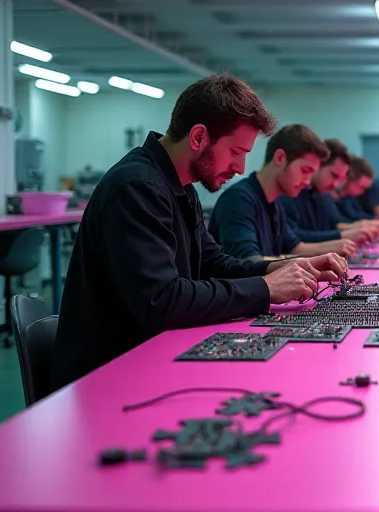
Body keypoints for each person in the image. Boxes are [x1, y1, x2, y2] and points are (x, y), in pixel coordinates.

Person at [52, 73, 348, 390]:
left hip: (148, 361)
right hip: (107, 380)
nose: (240, 168)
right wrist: (265, 289)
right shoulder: (136, 188)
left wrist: (280, 268)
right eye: (236, 151)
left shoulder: (180, 188)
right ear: (198, 138)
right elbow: (163, 303)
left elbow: (212, 262)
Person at [208, 124, 358, 259]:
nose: (307, 181)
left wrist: (335, 248)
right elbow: (250, 260)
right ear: (280, 158)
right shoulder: (238, 199)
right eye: (305, 170)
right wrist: (305, 263)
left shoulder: (274, 201)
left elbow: (295, 247)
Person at [279, 138, 379, 243]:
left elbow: (335, 223)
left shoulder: (323, 194)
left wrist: (360, 226)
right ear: (318, 165)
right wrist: (343, 235)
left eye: (340, 179)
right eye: (334, 176)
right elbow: (293, 237)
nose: (335, 184)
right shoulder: (290, 192)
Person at [334, 156, 378, 222]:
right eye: (362, 187)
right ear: (349, 176)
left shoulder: (349, 198)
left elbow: (358, 215)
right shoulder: (329, 196)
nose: (363, 192)